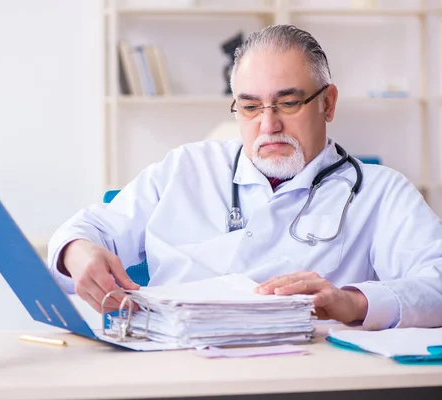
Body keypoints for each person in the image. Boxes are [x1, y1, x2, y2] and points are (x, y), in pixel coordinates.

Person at [47, 24, 442, 330]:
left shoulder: (380, 191)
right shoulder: (186, 168)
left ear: (328, 102)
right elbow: (89, 227)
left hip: (307, 374)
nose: (268, 125)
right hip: (175, 366)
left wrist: (353, 302)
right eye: (251, 107)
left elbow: (437, 283)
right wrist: (78, 252)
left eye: (287, 103)